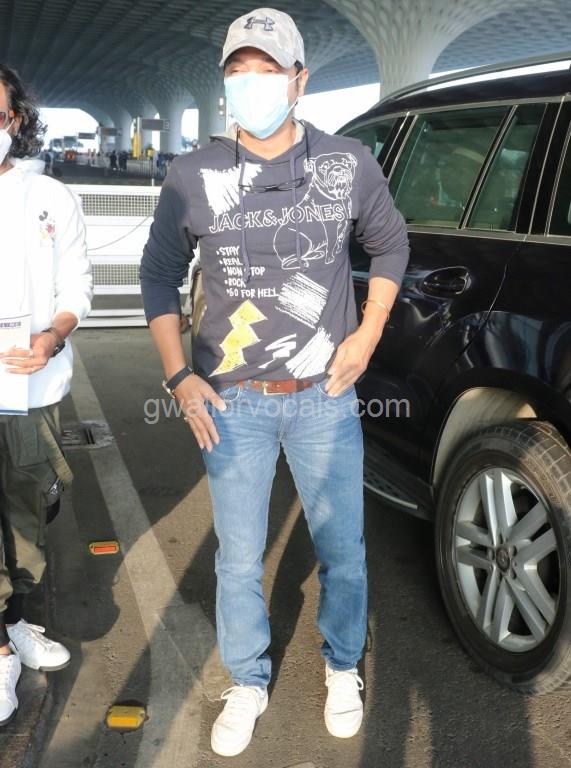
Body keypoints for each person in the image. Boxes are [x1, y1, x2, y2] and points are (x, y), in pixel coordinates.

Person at [140, 7, 409, 757]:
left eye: (267, 71)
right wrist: (177, 375)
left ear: (299, 81)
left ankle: (342, 665)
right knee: (237, 556)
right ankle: (248, 679)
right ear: (224, 83)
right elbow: (158, 276)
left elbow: (390, 245)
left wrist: (367, 333)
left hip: (325, 396)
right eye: (238, 72)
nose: (251, 85)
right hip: (232, 402)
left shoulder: (345, 163)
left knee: (342, 547)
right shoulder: (194, 175)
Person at [0, 64, 93, 727]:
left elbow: (76, 286)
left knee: (28, 515)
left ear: (15, 121)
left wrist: (53, 337)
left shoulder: (50, 198)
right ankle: (1, 650)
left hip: (30, 388)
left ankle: (14, 618)